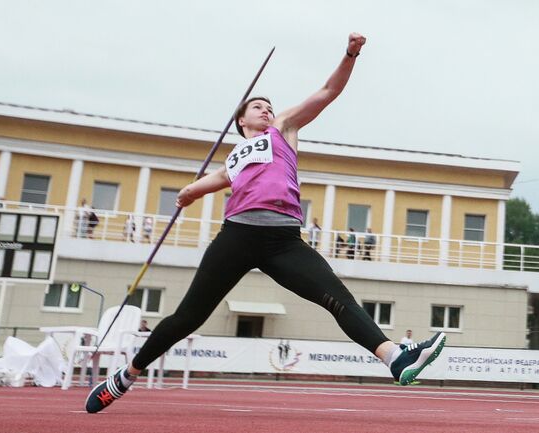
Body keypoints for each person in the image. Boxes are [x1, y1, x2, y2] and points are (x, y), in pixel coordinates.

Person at [85, 33, 446, 414]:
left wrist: (350, 54)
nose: (266, 110)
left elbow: (328, 91)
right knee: (187, 317)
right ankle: (126, 376)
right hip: (237, 236)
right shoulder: (235, 158)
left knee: (338, 298)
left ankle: (394, 358)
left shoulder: (284, 130)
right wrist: (189, 192)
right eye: (257, 106)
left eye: (268, 106)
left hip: (283, 239)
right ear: (240, 121)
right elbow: (208, 183)